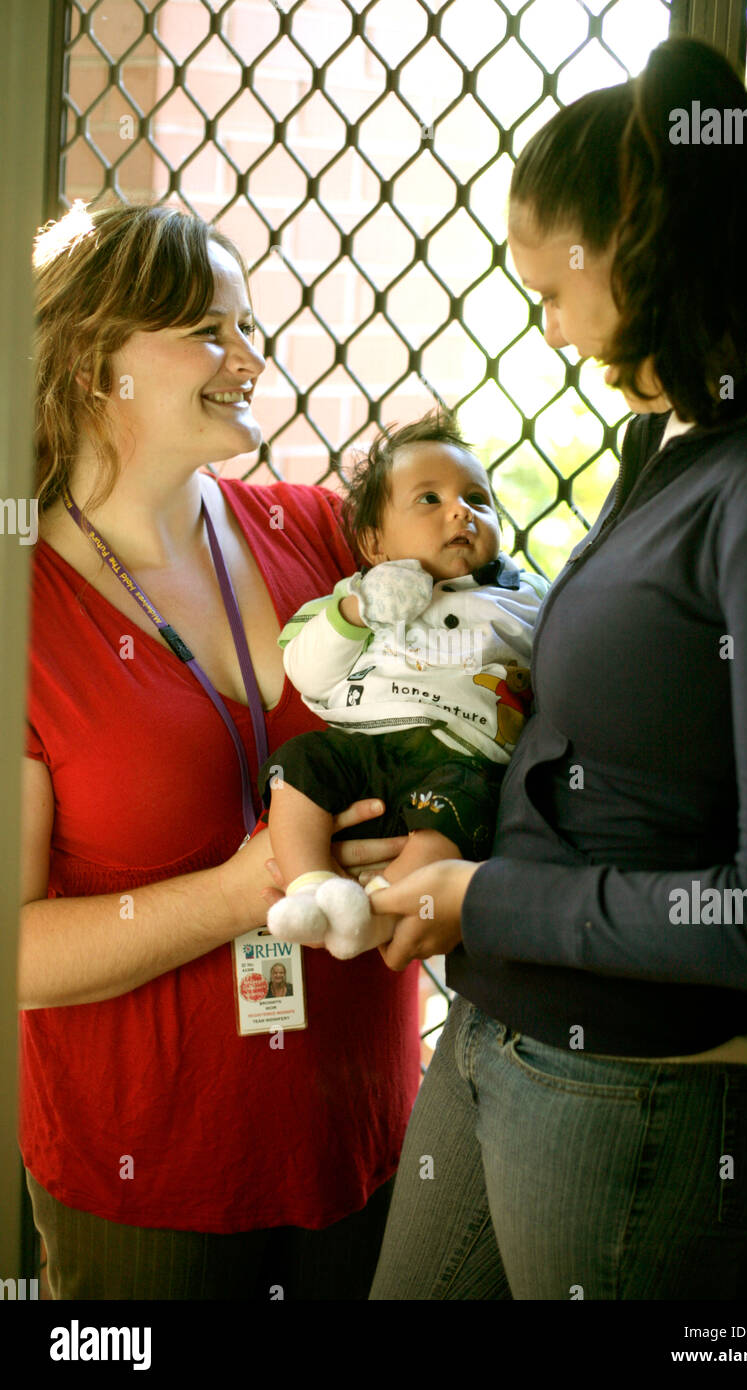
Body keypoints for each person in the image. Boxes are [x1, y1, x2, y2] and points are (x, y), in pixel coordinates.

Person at [366, 36, 747, 1299]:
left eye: (551, 288)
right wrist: (442, 835)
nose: (547, 328)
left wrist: (482, 898)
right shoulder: (684, 433)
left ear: (642, 254)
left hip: (639, 1095)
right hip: (505, 1035)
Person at [21, 200, 421, 1300]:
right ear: (99, 359)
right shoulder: (26, 614)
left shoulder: (324, 534)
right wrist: (247, 889)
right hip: (153, 1183)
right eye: (210, 329)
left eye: (247, 325)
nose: (251, 356)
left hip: (367, 1134)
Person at [260, 409, 546, 960]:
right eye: (429, 500)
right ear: (374, 543)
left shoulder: (525, 596)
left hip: (461, 757)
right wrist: (356, 610)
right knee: (296, 766)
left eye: (478, 500)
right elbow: (306, 671)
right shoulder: (358, 594)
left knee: (453, 820)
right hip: (362, 744)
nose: (461, 511)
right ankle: (311, 889)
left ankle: (375, 914)